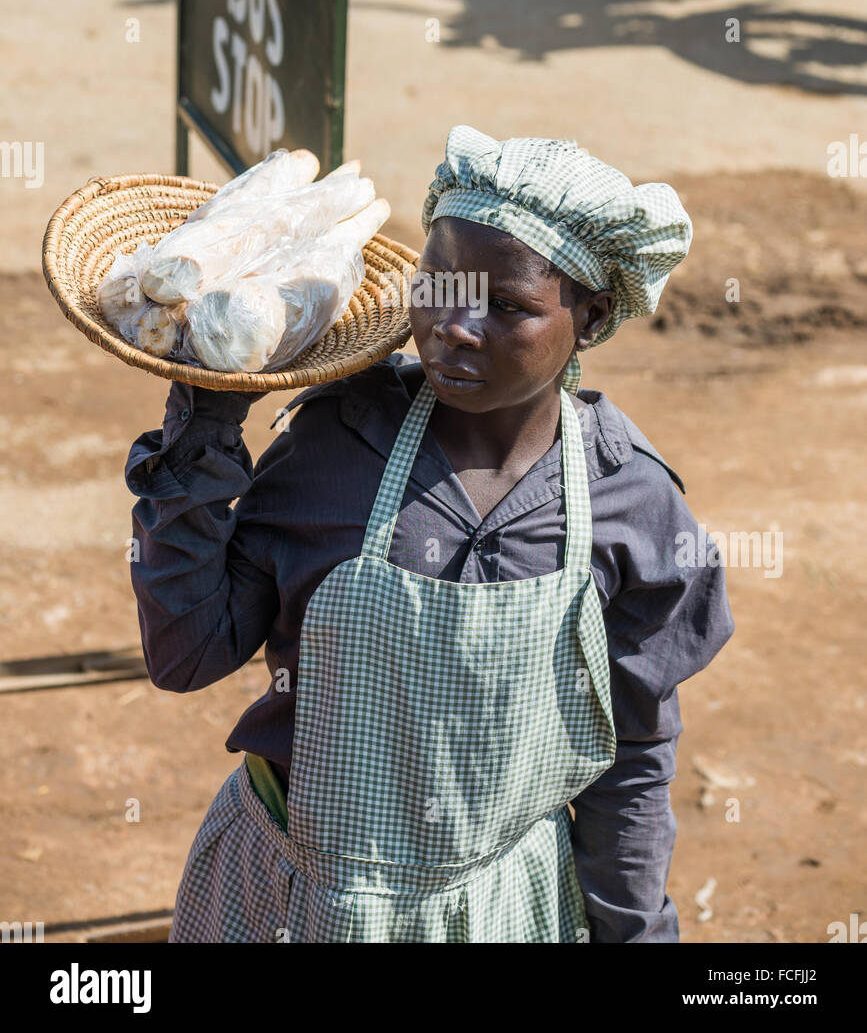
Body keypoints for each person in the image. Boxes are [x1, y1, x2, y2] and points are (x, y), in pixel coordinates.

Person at [124, 125, 734, 943]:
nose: (455, 325)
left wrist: (635, 935)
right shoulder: (335, 444)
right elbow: (185, 654)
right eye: (439, 284)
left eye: (509, 306)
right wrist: (208, 417)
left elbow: (629, 758)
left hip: (492, 909)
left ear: (588, 318)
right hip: (287, 888)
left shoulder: (631, 504)